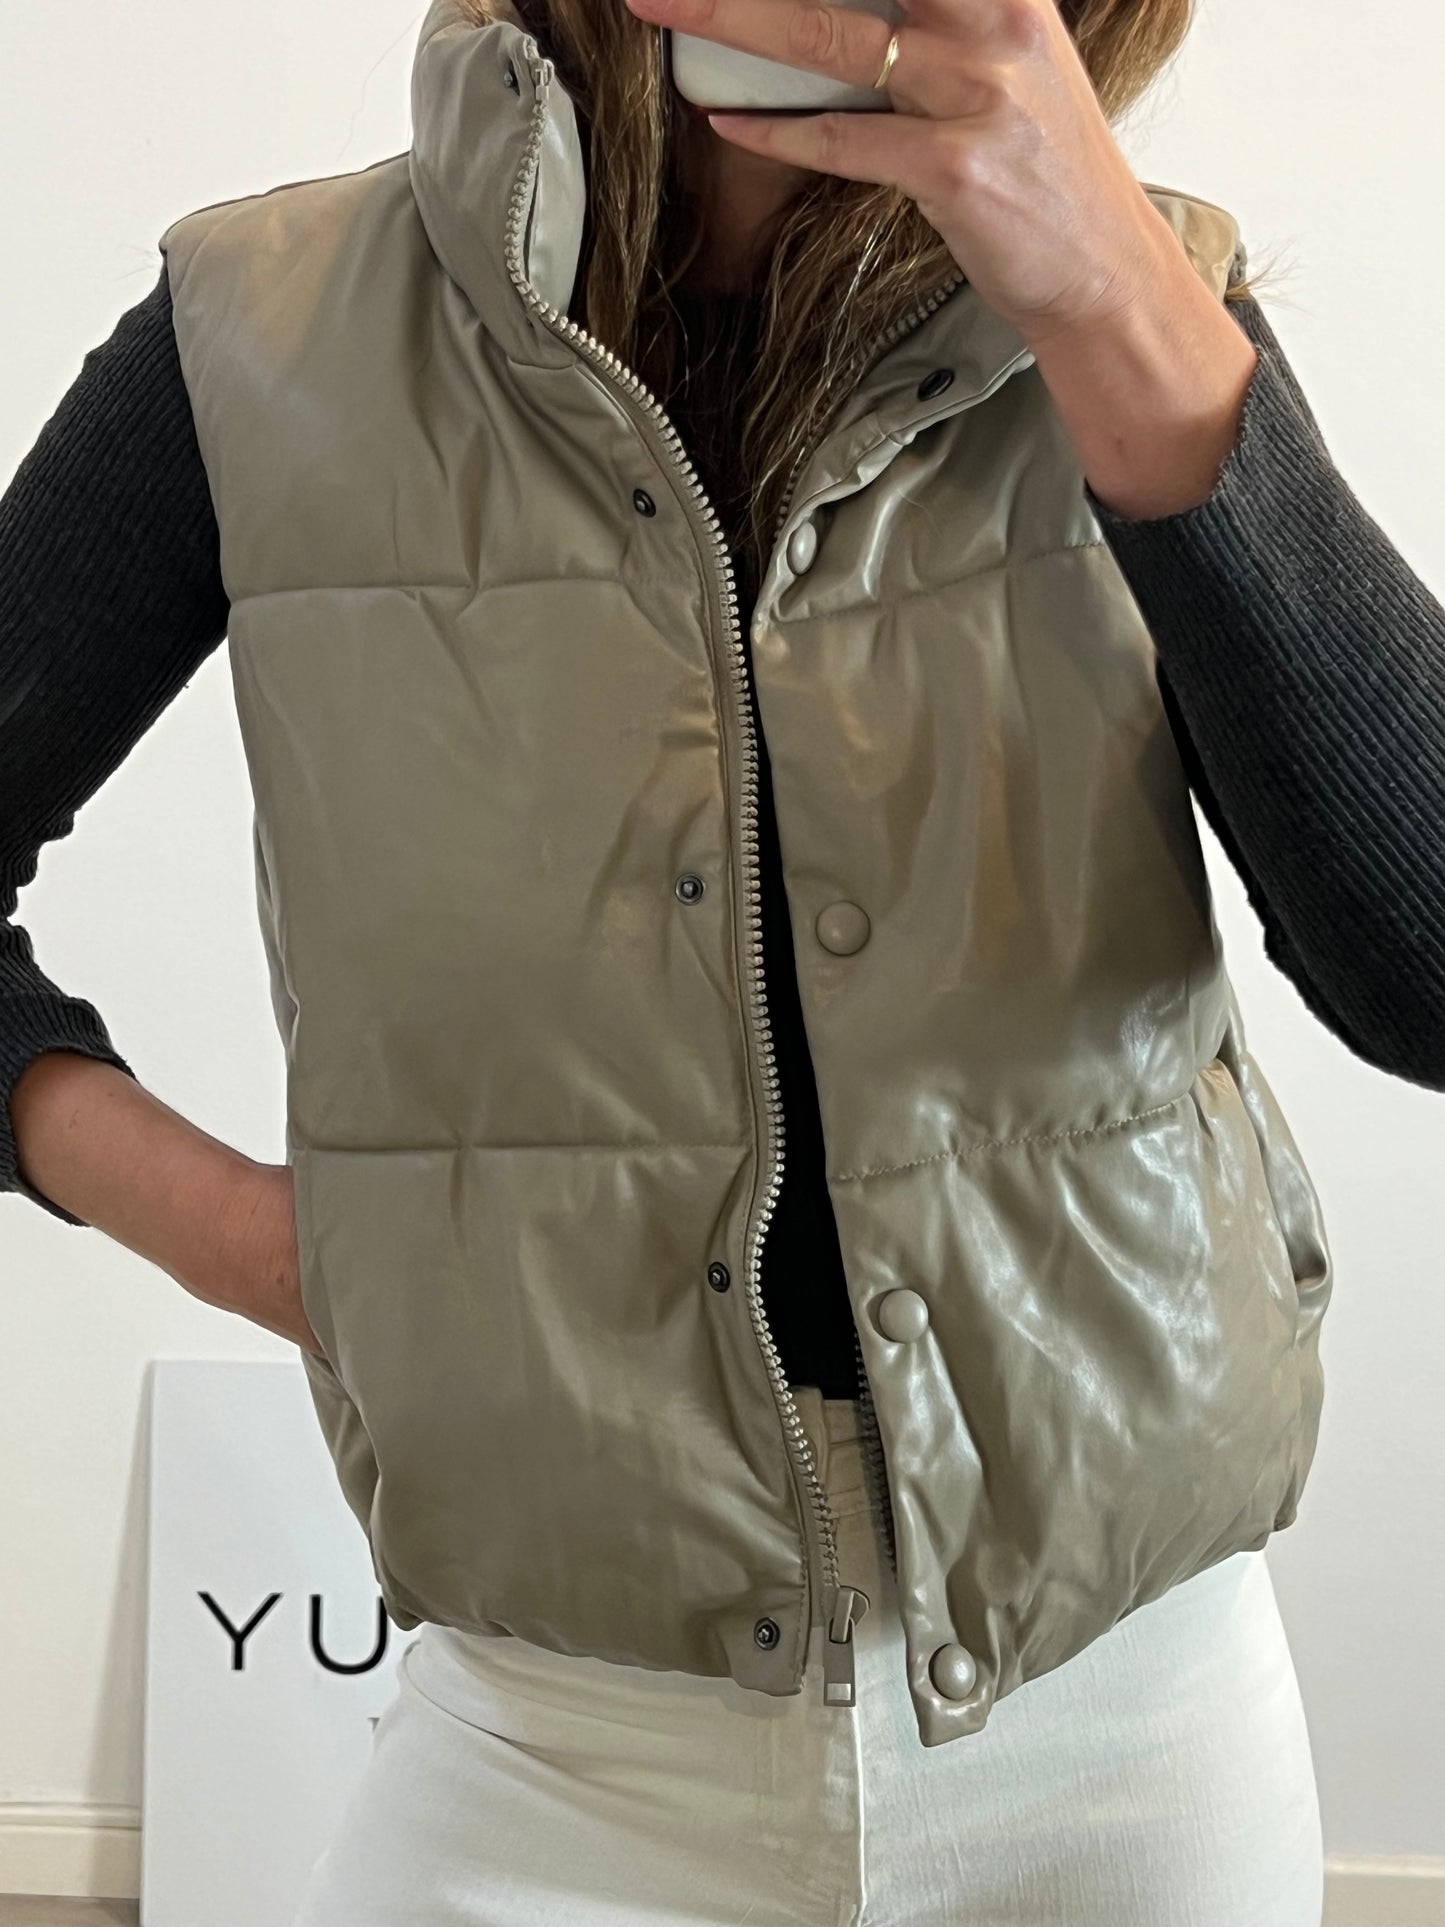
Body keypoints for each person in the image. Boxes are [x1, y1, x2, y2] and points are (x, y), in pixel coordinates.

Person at [3, 0, 1443, 1919]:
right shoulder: (268, 329)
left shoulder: (1140, 299)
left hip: (1128, 1735)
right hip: (550, 1756)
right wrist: (273, 1249)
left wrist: (1116, 302)